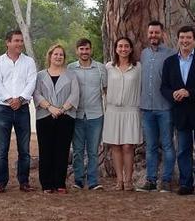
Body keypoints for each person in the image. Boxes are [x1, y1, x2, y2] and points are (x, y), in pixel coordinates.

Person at [161, 26, 195, 197]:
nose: (185, 41)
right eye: (182, 37)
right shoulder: (169, 62)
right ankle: (186, 184)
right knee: (183, 150)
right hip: (180, 114)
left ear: (194, 40)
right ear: (177, 39)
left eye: (188, 38)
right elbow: (164, 87)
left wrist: (189, 92)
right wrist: (172, 94)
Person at [0, 29, 37, 193]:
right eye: (16, 41)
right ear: (8, 42)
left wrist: (21, 98)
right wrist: (10, 99)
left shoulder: (29, 62)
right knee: (2, 149)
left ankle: (24, 182)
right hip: (3, 108)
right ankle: (0, 182)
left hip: (22, 108)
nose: (19, 44)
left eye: (21, 41)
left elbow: (32, 82)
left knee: (24, 149)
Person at [137, 21, 177, 193]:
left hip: (165, 108)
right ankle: (151, 180)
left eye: (156, 33)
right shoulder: (143, 54)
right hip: (146, 108)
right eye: (151, 33)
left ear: (162, 34)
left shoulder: (171, 54)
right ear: (148, 34)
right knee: (151, 146)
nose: (153, 36)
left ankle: (166, 180)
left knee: (168, 145)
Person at [34, 44, 79, 193]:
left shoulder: (71, 75)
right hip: (45, 116)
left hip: (65, 116)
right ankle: (46, 184)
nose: (58, 57)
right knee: (46, 150)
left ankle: (60, 183)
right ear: (50, 56)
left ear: (64, 58)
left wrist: (62, 109)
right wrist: (49, 107)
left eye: (61, 55)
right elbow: (36, 93)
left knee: (62, 150)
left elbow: (75, 94)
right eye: (55, 54)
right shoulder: (40, 75)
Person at [68, 38, 107, 191]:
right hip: (76, 115)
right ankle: (78, 180)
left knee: (93, 150)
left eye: (87, 49)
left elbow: (105, 90)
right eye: (81, 49)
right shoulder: (70, 68)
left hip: (95, 115)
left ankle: (93, 181)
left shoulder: (100, 68)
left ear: (91, 50)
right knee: (77, 150)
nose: (84, 52)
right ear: (77, 51)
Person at [103, 37, 142, 191]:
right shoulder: (108, 67)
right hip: (113, 111)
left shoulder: (138, 67)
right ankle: (119, 181)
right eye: (120, 46)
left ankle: (129, 180)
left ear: (131, 49)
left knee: (127, 146)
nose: (123, 49)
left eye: (126, 46)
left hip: (131, 110)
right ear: (116, 48)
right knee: (116, 146)